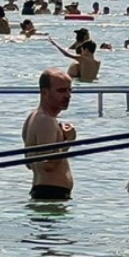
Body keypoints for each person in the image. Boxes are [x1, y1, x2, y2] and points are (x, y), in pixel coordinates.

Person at [22, 68, 76, 201]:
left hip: (43, 191)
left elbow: (29, 163)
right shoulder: (47, 120)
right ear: (45, 93)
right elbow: (47, 165)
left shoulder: (32, 117)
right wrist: (69, 141)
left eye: (70, 91)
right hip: (52, 194)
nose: (68, 96)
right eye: (61, 91)